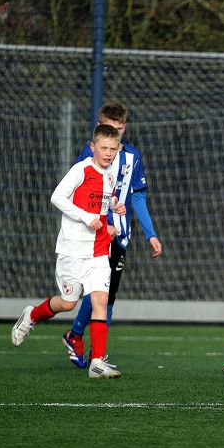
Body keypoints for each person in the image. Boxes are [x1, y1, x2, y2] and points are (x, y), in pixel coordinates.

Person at [10, 124, 126, 379]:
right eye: (104, 148)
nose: (108, 153)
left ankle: (97, 362)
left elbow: (103, 200)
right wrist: (86, 217)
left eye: (113, 149)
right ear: (92, 147)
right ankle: (31, 315)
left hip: (99, 250)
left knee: (100, 301)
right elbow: (57, 197)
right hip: (72, 250)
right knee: (68, 303)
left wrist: (114, 207)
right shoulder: (80, 169)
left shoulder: (110, 174)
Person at [61, 102, 162, 368]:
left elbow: (137, 196)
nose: (114, 135)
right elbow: (80, 194)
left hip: (119, 235)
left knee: (107, 294)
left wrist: (150, 233)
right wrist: (99, 222)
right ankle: (84, 342)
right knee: (91, 292)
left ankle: (83, 342)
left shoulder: (132, 156)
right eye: (109, 128)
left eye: (119, 129)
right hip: (93, 232)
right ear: (98, 129)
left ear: (124, 129)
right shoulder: (89, 155)